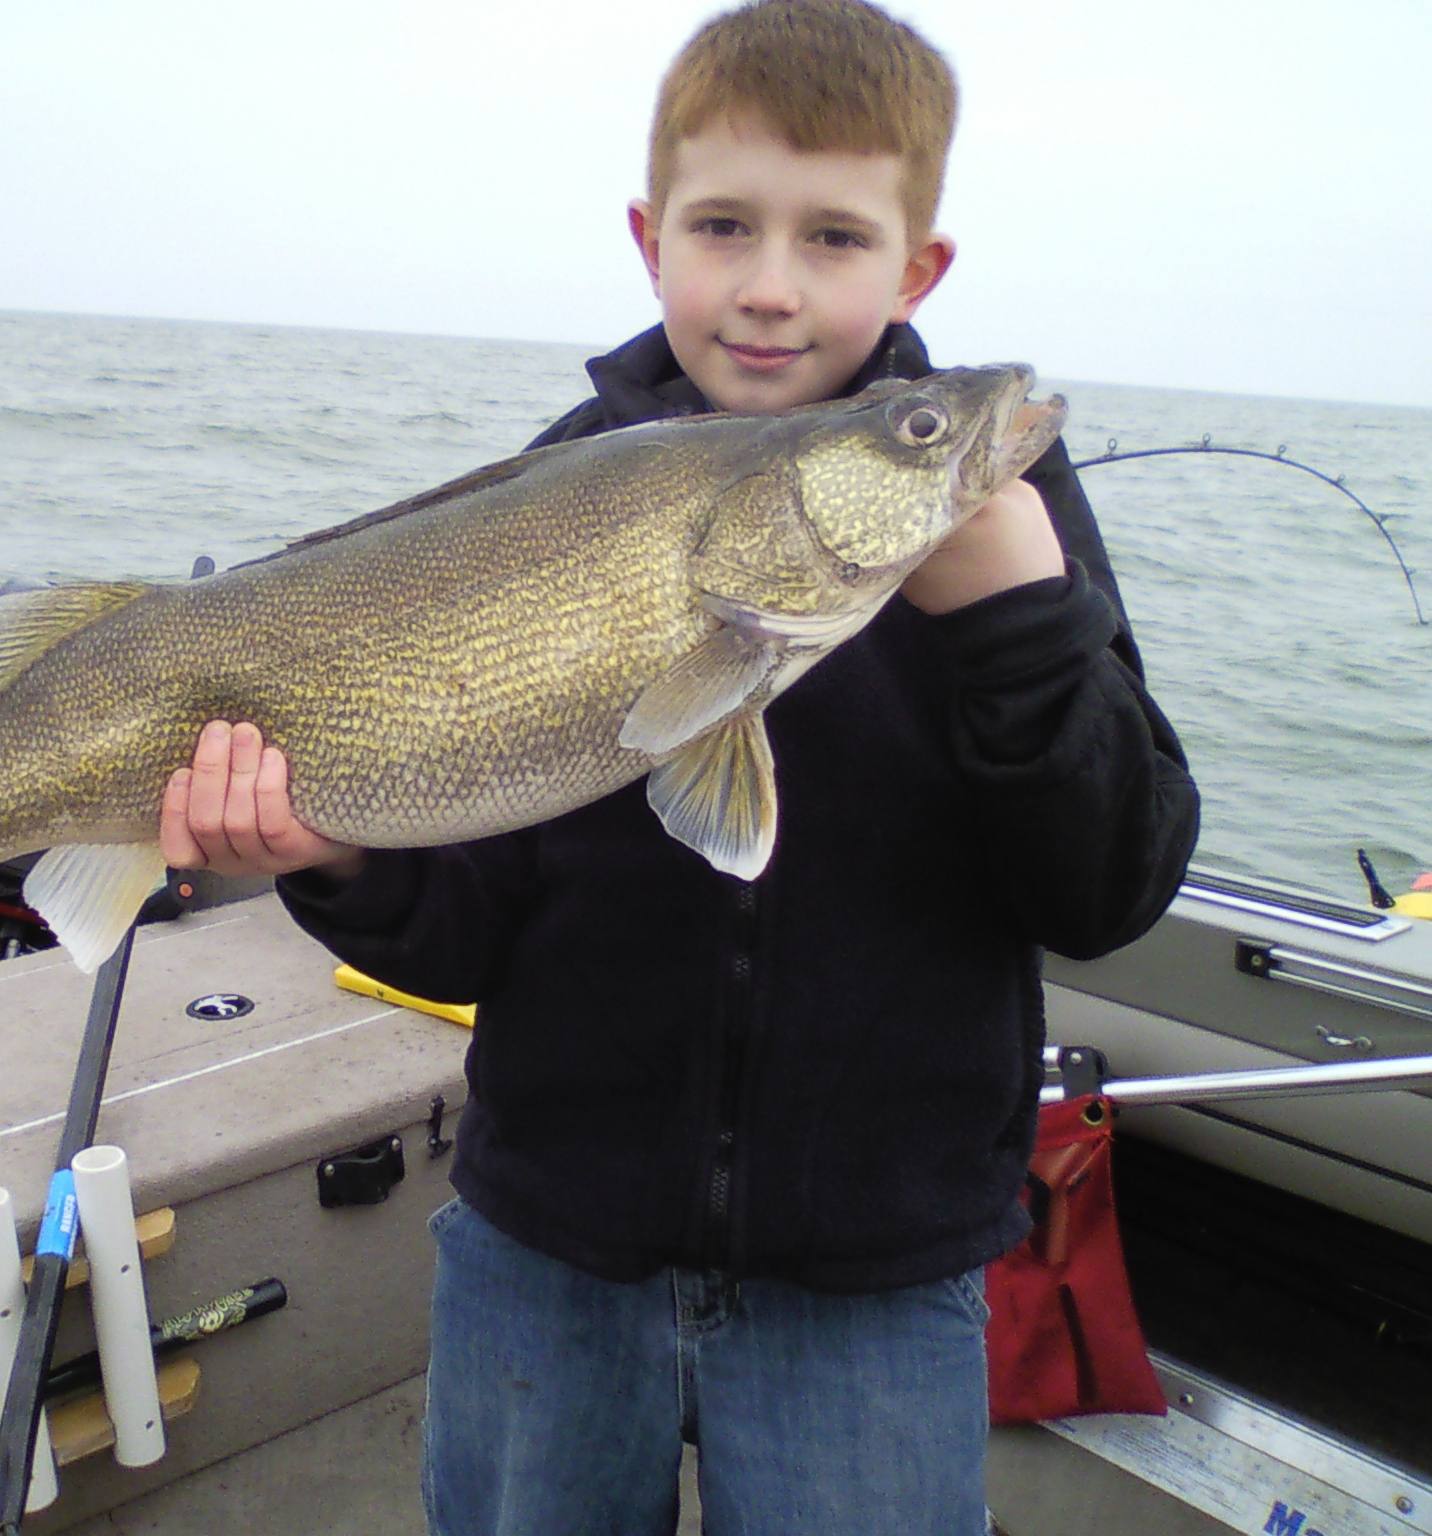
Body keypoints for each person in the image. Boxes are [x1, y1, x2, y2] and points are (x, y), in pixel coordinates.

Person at [160, 1, 1200, 1530]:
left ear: (919, 268)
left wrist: (1023, 627)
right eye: (726, 226)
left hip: (878, 1280)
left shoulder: (999, 523)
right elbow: (462, 928)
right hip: (548, 1253)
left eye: (835, 239)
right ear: (653, 241)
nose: (771, 288)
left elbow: (1110, 885)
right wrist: (331, 859)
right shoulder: (545, 488)